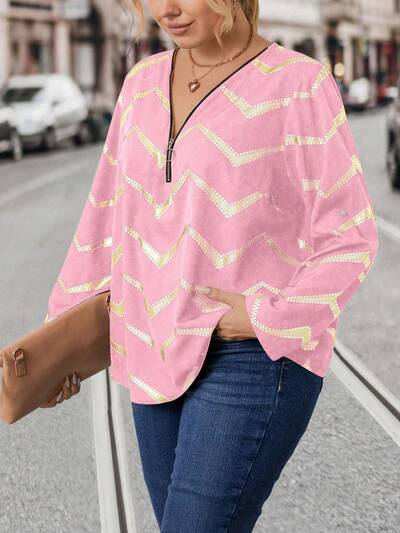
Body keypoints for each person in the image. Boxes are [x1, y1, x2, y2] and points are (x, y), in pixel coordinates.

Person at [44, 1, 379, 531]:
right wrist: (57, 342)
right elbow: (104, 214)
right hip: (154, 348)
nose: (167, 10)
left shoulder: (299, 85)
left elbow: (350, 234)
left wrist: (269, 316)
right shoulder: (141, 83)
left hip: (251, 355)